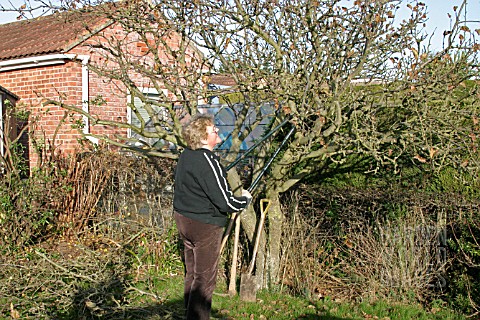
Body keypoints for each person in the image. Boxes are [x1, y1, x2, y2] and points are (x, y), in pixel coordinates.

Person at [173, 113, 252, 320]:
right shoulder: (208, 160)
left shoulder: (186, 155)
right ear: (201, 137)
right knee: (205, 279)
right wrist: (244, 200)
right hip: (204, 225)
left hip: (184, 220)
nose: (217, 131)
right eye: (213, 130)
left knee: (192, 272)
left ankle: (188, 313)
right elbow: (226, 202)